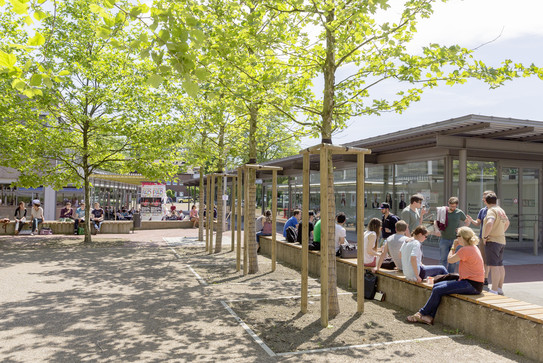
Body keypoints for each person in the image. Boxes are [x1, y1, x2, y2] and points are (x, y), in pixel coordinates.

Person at [407, 226, 484, 325]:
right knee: (437, 287)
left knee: (438, 289)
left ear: (463, 237)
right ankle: (429, 317)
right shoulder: (473, 248)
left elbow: (450, 260)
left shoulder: (466, 250)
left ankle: (422, 313)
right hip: (471, 283)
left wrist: (453, 247)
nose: (456, 238)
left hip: (472, 285)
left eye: (457, 236)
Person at [482, 192, 510, 295]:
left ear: (486, 201)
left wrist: (485, 236)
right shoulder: (500, 210)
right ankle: (499, 288)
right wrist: (501, 232)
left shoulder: (491, 210)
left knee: (493, 266)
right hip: (501, 240)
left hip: (492, 241)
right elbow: (507, 223)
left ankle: (493, 290)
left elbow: (489, 223)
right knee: (500, 265)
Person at [434, 197, 470, 273]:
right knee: (443, 259)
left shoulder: (459, 212)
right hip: (444, 238)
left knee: (453, 260)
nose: (453, 208)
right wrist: (437, 230)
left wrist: (462, 229)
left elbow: (467, 221)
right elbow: (436, 221)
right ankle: (441, 275)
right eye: (451, 206)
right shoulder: (443, 211)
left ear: (457, 205)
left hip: (455, 240)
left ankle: (450, 276)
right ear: (448, 203)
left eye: (454, 206)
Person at [467, 190, 495, 286]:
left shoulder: (495, 210)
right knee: (483, 259)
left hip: (491, 238)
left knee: (489, 260)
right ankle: (483, 277)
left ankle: (486, 278)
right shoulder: (483, 210)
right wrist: (471, 220)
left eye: (485, 197)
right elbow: (478, 223)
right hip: (482, 238)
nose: (483, 199)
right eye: (483, 197)